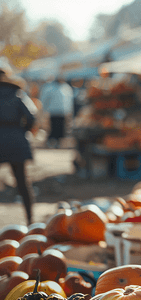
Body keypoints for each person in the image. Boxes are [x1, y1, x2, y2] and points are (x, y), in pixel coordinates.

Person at [0, 57, 38, 225]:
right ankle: (30, 219)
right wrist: (22, 131)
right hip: (17, 140)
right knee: (22, 183)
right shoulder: (18, 94)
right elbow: (31, 117)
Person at [39, 76, 74, 148]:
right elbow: (44, 99)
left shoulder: (66, 88)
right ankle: (51, 142)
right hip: (52, 112)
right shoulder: (49, 87)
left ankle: (58, 143)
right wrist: (44, 110)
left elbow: (69, 101)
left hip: (63, 112)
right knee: (52, 128)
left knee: (61, 128)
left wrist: (69, 111)